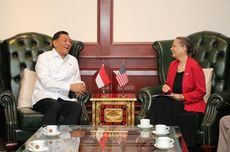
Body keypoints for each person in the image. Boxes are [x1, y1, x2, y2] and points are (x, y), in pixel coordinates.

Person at [147, 37, 206, 148]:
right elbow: (169, 86)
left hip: (189, 104)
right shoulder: (173, 65)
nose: (171, 48)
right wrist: (166, 89)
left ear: (183, 48)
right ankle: (157, 139)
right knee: (159, 101)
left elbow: (201, 91)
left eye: (174, 46)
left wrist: (183, 96)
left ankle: (161, 141)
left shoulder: (194, 66)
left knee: (162, 104)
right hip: (175, 101)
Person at [32, 31, 86, 125]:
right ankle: (47, 137)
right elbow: (46, 82)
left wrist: (80, 86)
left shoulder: (73, 60)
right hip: (44, 96)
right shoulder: (44, 58)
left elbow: (76, 80)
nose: (68, 43)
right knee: (54, 105)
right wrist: (69, 87)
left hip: (63, 98)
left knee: (76, 107)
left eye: (70, 42)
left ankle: (67, 138)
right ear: (55, 43)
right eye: (65, 41)